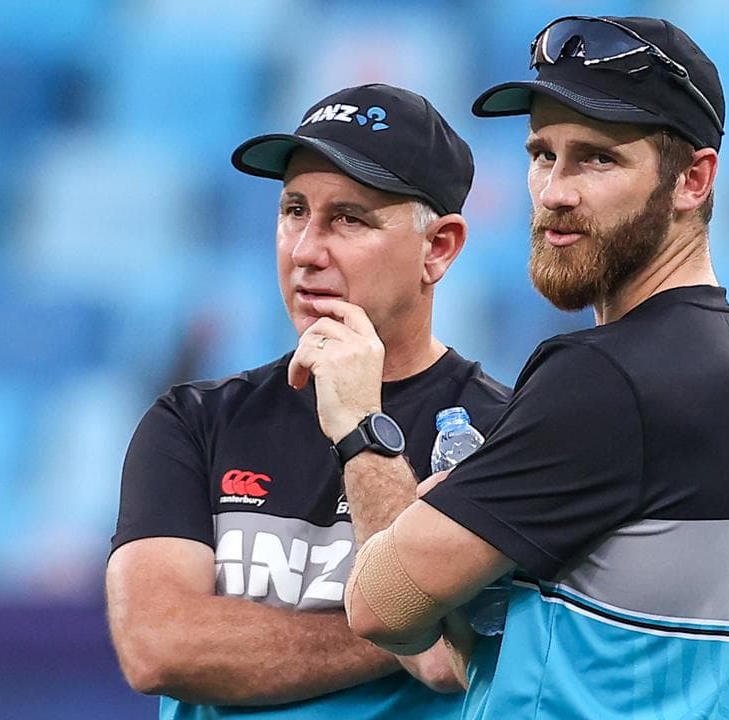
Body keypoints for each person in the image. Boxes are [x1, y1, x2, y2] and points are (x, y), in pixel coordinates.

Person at [299, 16, 729, 719]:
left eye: (597, 159)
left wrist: (360, 429)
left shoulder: (609, 379)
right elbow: (485, 657)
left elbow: (381, 607)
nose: (555, 191)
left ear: (694, 179)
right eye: (543, 155)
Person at [106, 83, 510, 719]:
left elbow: (447, 668)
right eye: (294, 210)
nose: (305, 251)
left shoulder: (503, 433)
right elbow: (159, 647)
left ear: (438, 248)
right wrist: (405, 621)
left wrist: (359, 428)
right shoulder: (193, 423)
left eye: (348, 219)